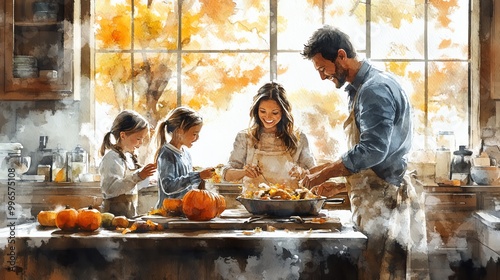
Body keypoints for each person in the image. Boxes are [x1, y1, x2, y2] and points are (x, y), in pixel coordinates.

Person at [301, 25, 428, 279]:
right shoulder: (358, 89)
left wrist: (323, 175)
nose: (322, 77)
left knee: (380, 273)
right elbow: (372, 159)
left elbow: (373, 150)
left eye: (323, 68)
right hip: (374, 199)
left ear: (340, 55)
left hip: (384, 205)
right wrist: (339, 184)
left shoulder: (374, 89)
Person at [222, 81, 316, 194]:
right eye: (263, 111)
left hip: (290, 204)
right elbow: (226, 175)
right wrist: (244, 172)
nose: (268, 117)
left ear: (284, 112)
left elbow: (314, 173)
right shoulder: (245, 137)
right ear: (256, 110)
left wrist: (302, 172)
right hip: (255, 203)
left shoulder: (299, 138)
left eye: (275, 112)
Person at [99, 110, 157, 218]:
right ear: (123, 135)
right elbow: (111, 189)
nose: (140, 143)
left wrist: (145, 179)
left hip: (128, 215)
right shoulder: (111, 158)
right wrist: (138, 176)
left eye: (142, 139)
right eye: (138, 138)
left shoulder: (128, 157)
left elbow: (130, 186)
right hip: (113, 217)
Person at [154, 106, 215, 208]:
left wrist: (202, 179)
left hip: (184, 211)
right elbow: (168, 186)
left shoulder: (186, 154)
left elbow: (188, 186)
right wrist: (198, 176)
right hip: (169, 212)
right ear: (179, 131)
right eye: (194, 134)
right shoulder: (166, 154)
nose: (197, 138)